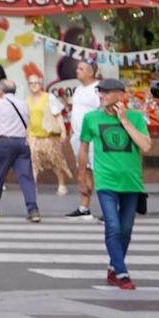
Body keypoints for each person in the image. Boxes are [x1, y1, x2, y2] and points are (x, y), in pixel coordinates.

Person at [77, 77, 149, 290]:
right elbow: (83, 148)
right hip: (105, 180)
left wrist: (124, 121)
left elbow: (145, 146)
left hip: (131, 181)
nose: (102, 95)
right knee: (113, 226)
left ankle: (113, 267)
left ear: (120, 94)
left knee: (125, 229)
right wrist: (82, 177)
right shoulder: (91, 118)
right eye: (100, 92)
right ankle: (121, 272)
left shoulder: (135, 118)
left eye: (107, 92)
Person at [0, 77, 40, 223]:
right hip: (22, 143)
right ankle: (33, 210)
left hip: (4, 142)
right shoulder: (23, 103)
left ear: (0, 91)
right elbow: (28, 121)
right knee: (26, 177)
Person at [23, 73, 75, 196]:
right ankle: (32, 186)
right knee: (33, 161)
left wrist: (63, 131)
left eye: (36, 83)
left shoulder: (49, 97)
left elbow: (58, 115)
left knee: (55, 160)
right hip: (33, 135)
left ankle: (61, 184)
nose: (34, 85)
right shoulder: (27, 99)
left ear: (41, 85)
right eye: (31, 83)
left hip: (49, 136)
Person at [67, 61, 102, 217]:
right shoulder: (79, 89)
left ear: (91, 73)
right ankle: (84, 207)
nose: (77, 71)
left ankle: (108, 208)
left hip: (94, 138)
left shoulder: (98, 89)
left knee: (98, 171)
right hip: (78, 137)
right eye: (77, 68)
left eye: (81, 69)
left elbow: (103, 112)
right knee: (83, 170)